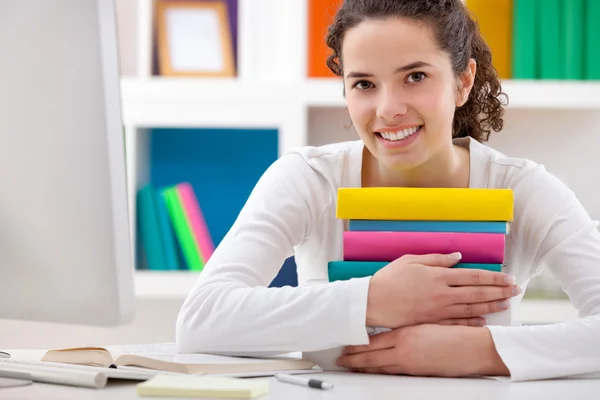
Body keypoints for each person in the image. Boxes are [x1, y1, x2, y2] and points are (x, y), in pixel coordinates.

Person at [175, 0, 600, 382]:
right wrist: (372, 300)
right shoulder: (308, 178)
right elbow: (201, 319)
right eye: (364, 84)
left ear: (463, 80)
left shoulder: (523, 188)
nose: (388, 109)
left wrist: (482, 352)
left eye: (415, 76)